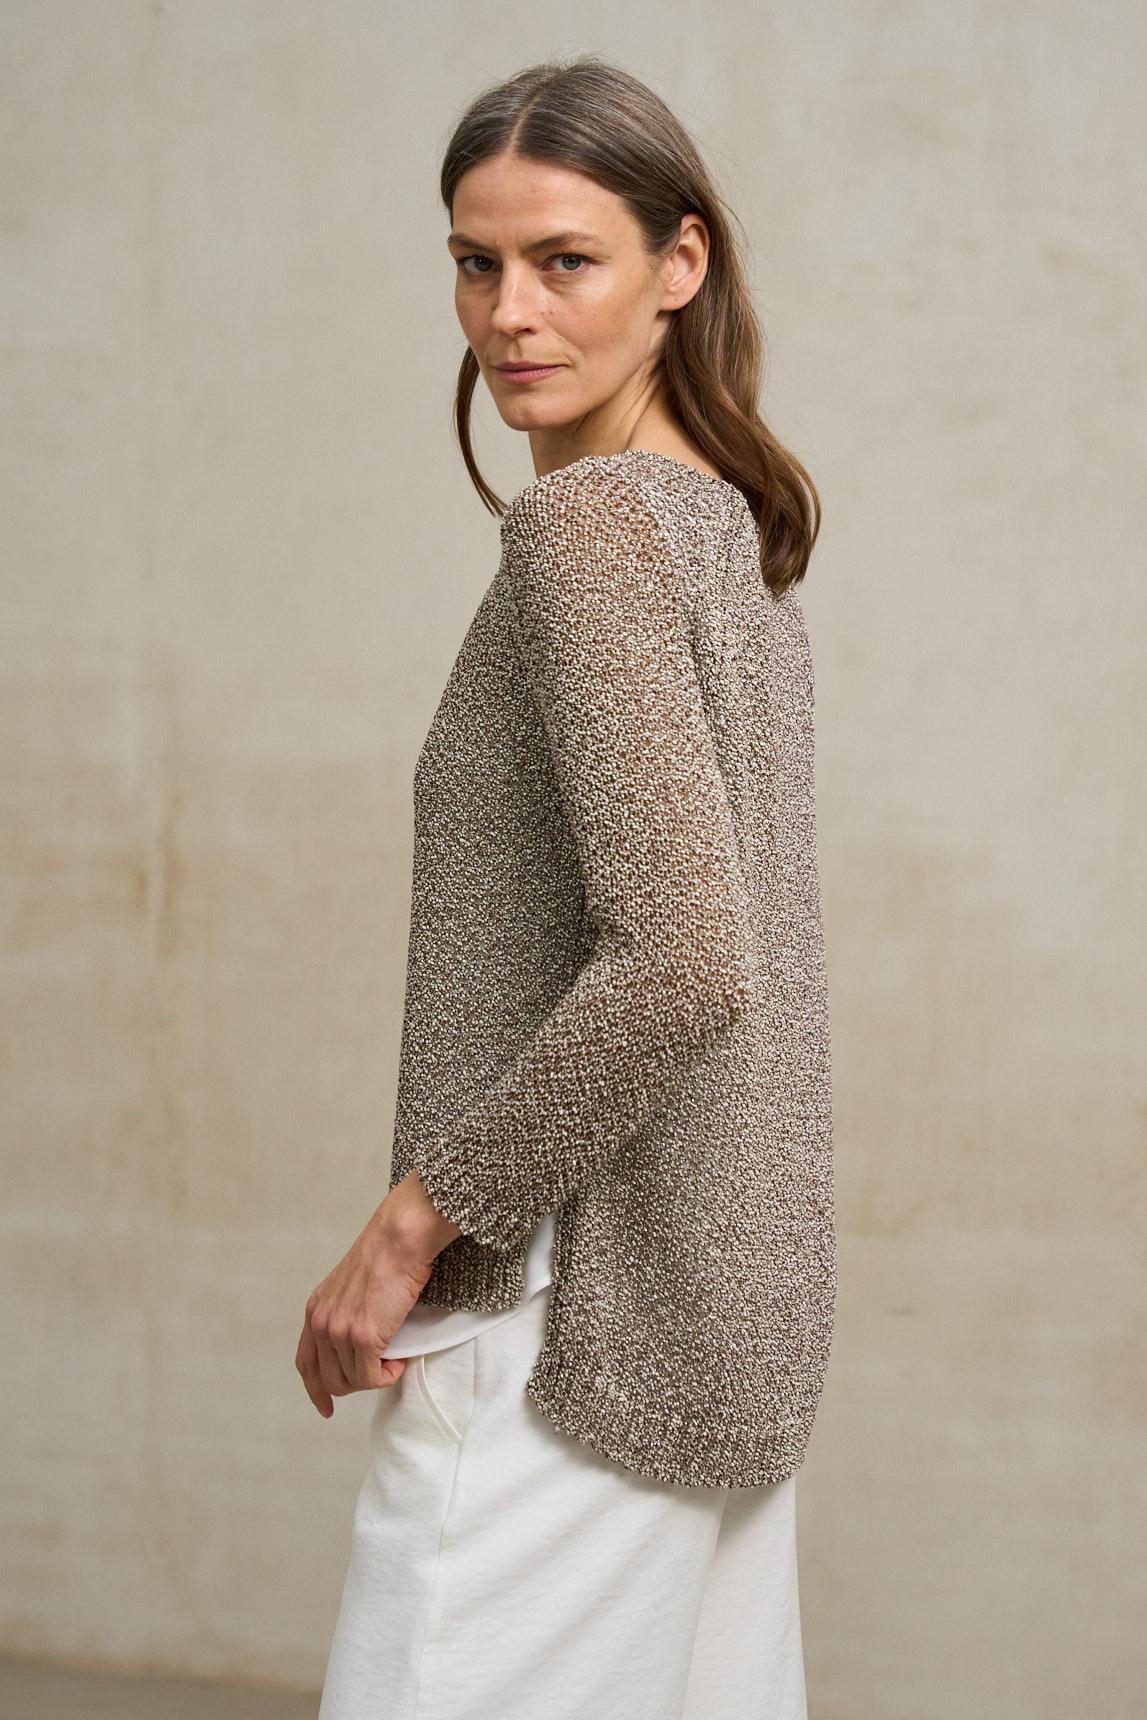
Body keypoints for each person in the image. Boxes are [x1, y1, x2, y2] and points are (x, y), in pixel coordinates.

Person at [299, 53, 834, 1720]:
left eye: (565, 260)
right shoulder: (723, 531)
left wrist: (414, 1224)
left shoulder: (592, 533)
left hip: (570, 1317)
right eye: (478, 263)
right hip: (719, 1311)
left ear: (681, 264)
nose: (510, 312)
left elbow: (685, 959)